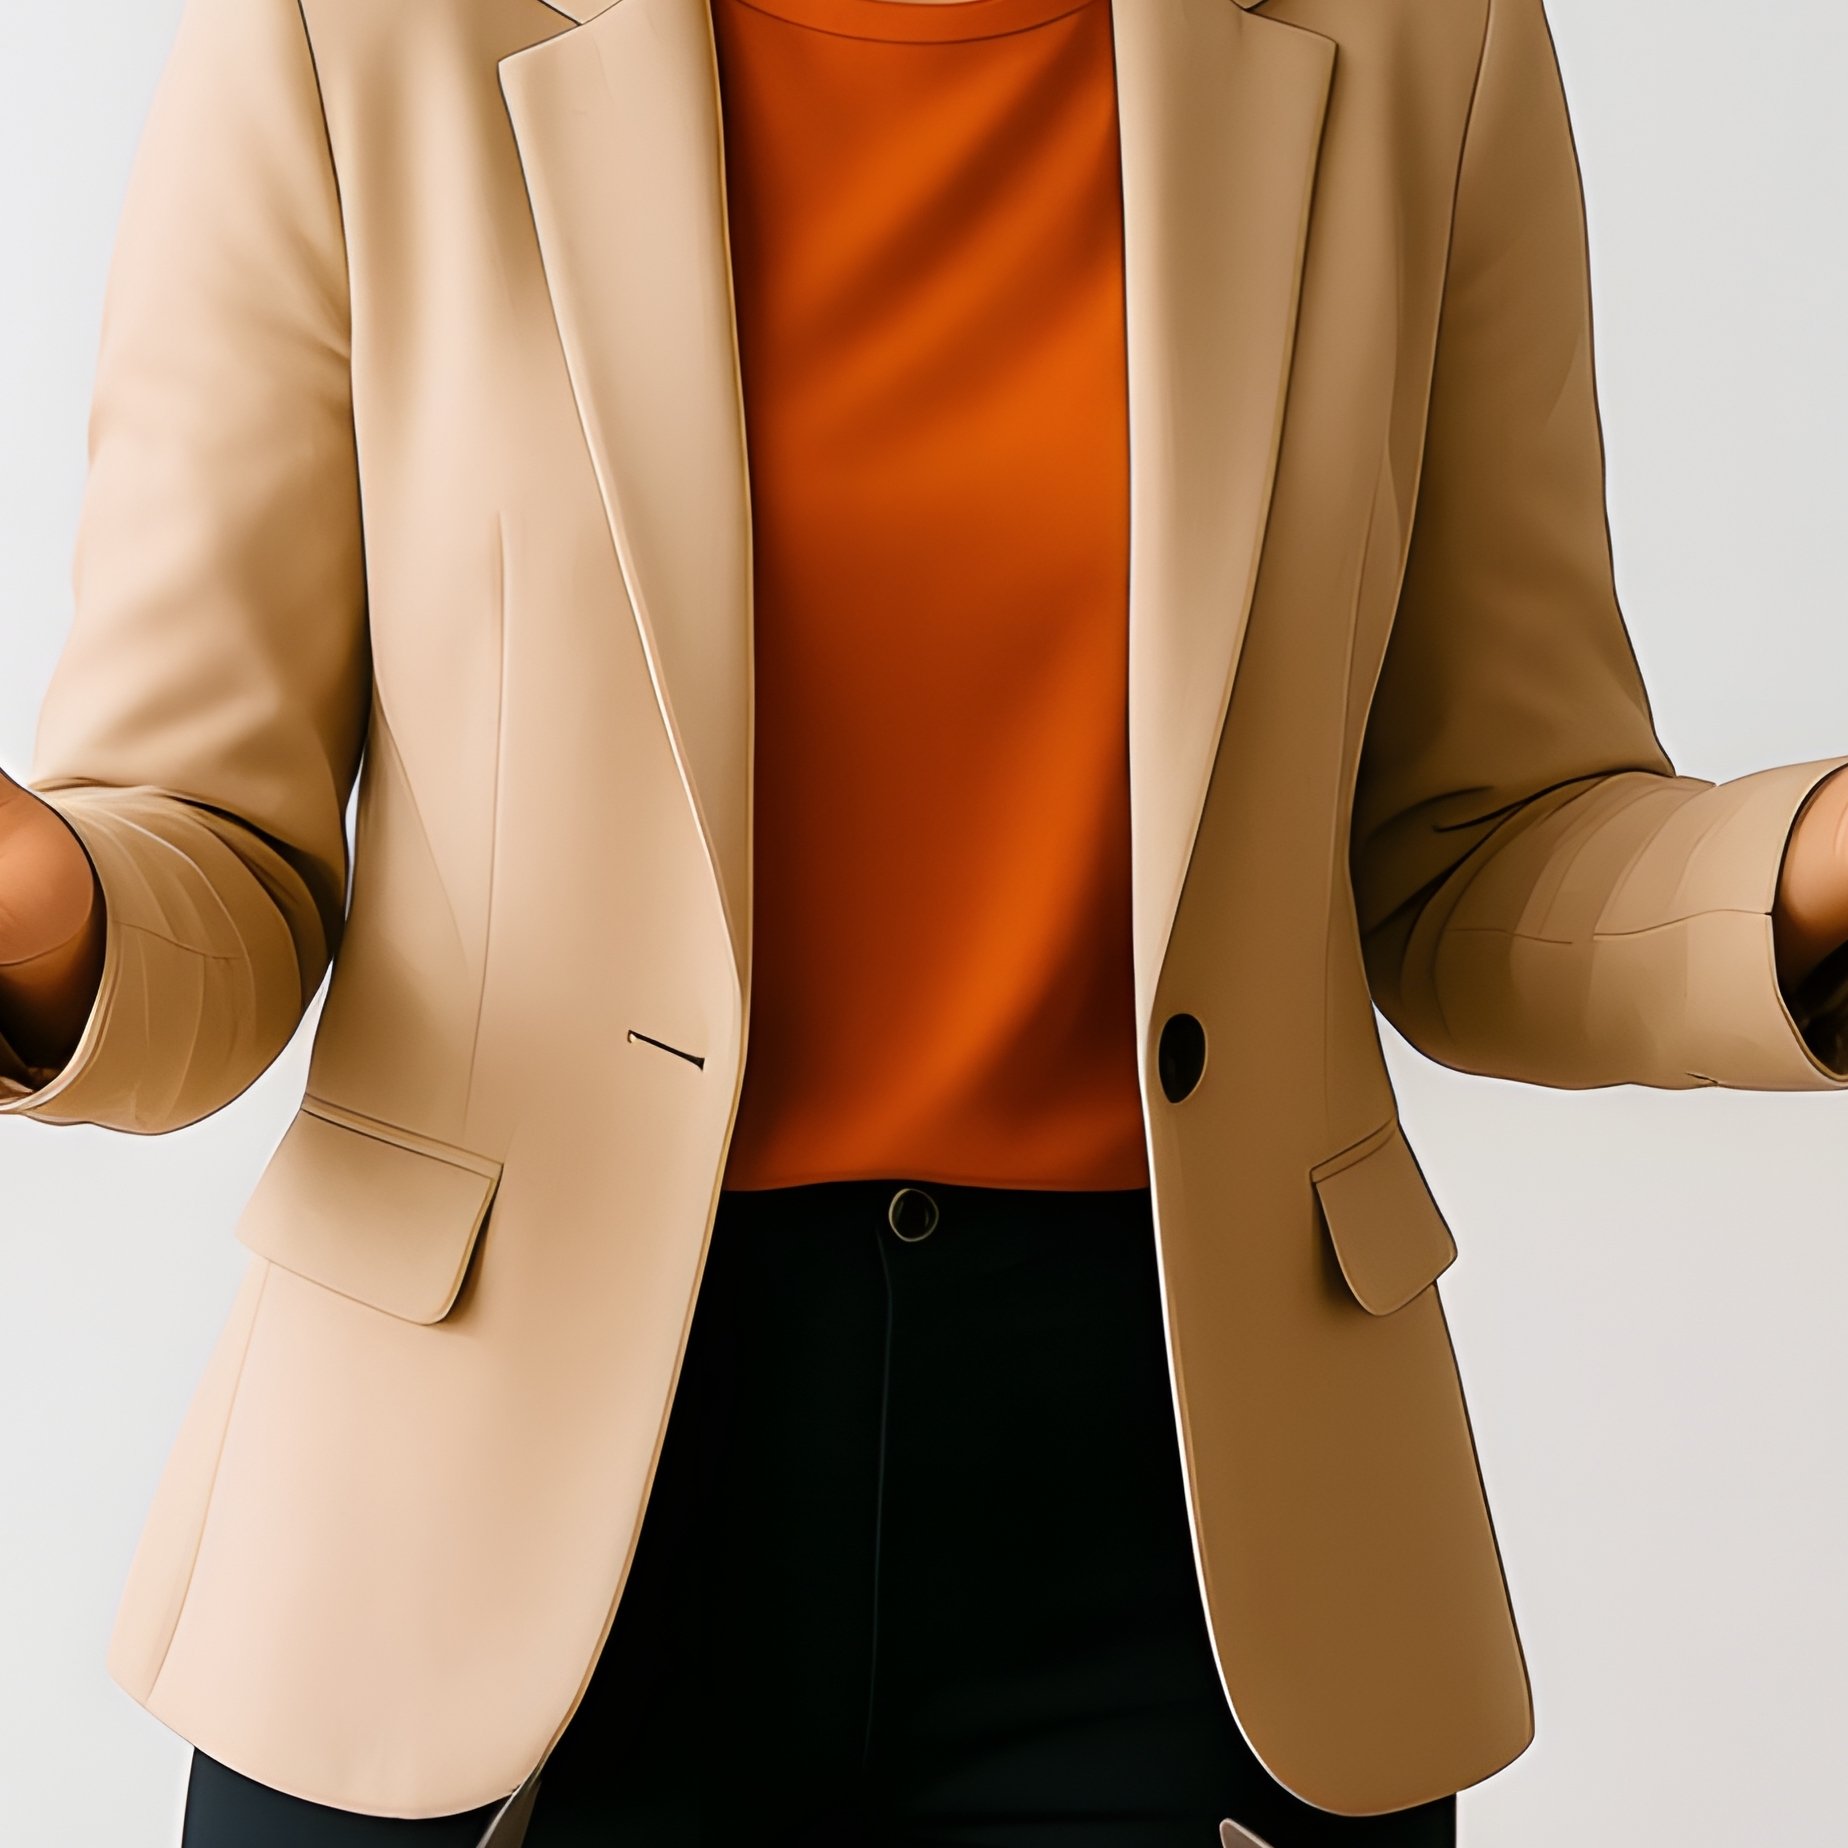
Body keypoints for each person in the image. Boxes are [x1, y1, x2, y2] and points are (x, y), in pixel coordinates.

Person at [5, 0, 1848, 1841]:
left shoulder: (1421, 45)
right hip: (463, 1526)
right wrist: (42, 913)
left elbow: (1482, 851)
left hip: (1187, 1537)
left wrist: (1814, 872)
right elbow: (206, 852)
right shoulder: (344, 32)